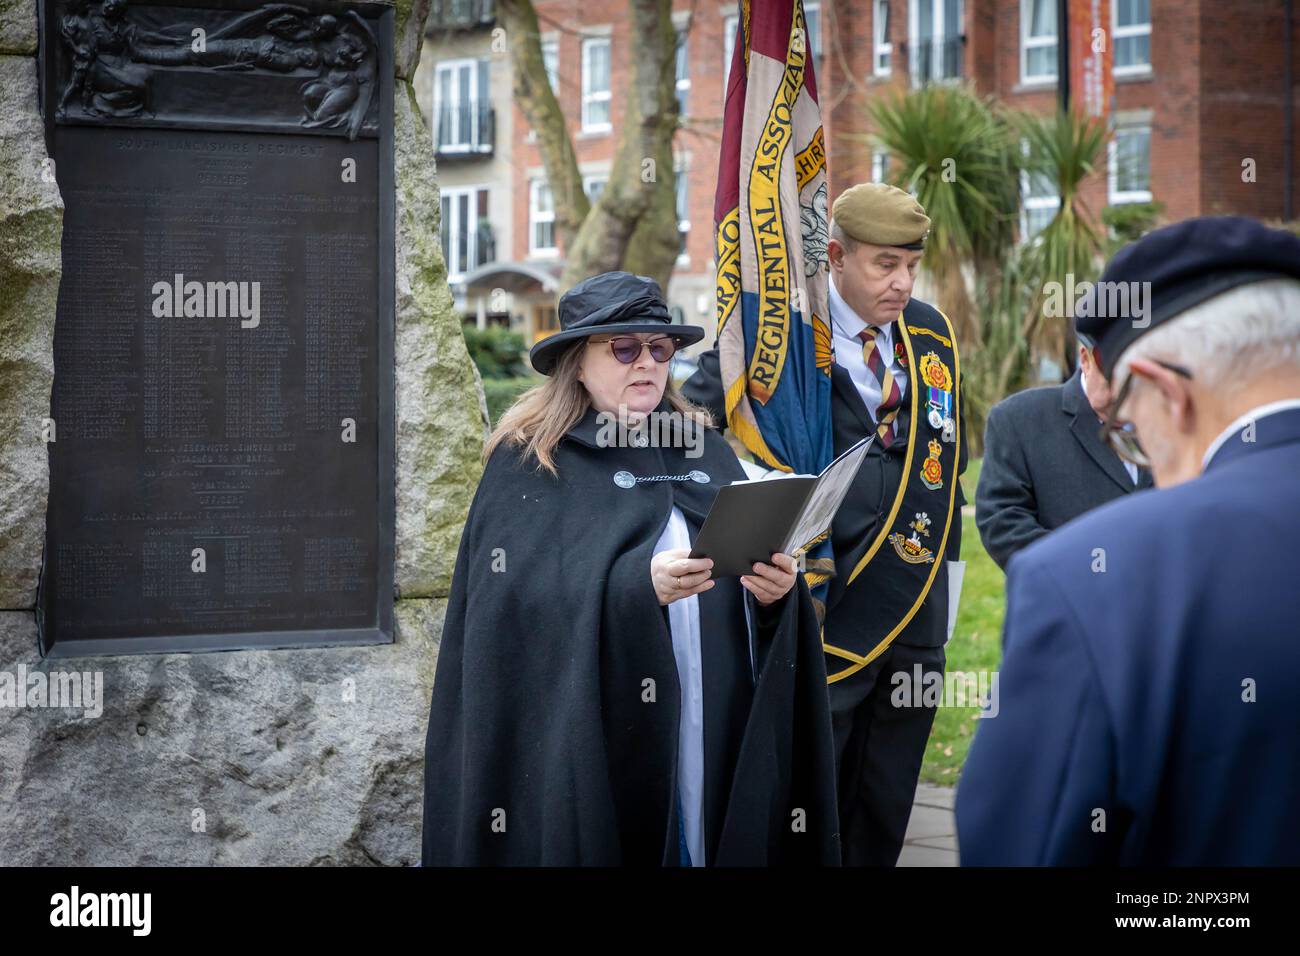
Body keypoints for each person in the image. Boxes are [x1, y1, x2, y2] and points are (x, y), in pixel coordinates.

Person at [422, 271, 840, 866]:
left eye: (660, 348)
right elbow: (510, 604)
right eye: (624, 347)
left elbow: (743, 566)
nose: (646, 362)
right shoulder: (531, 460)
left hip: (711, 709)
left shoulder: (701, 448)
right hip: (600, 729)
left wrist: (775, 597)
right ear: (577, 359)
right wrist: (633, 589)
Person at [956, 216, 1300, 865]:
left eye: (1132, 428)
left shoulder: (1095, 590)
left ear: (1168, 392)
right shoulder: (1024, 424)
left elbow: (1025, 844)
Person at [685, 183, 967, 866]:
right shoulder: (773, 337)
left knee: (887, 790)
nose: (902, 283)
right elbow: (694, 432)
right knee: (810, 794)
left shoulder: (930, 332)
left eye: (911, 263)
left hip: (914, 607)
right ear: (835, 256)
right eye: (883, 265)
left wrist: (949, 598)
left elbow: (946, 463)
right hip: (821, 609)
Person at [976, 331, 1152, 570]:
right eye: (1112, 376)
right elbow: (1003, 522)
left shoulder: (1174, 420)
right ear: (1086, 360)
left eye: (1133, 379)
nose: (1122, 394)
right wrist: (1086, 567)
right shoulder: (1020, 419)